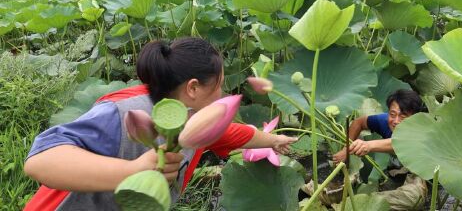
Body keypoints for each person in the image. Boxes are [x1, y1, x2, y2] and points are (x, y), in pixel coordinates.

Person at [23, 37, 297, 210]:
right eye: (219, 87)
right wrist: (133, 170)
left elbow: (239, 134)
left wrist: (274, 140)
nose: (223, 97)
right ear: (193, 88)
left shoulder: (196, 122)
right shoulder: (125, 112)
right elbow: (40, 160)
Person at [332, 89, 423, 164]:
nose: (396, 121)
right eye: (392, 114)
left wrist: (368, 145)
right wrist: (345, 150)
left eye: (403, 117)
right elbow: (358, 122)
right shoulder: (384, 120)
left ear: (415, 118)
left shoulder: (422, 132)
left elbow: (401, 142)